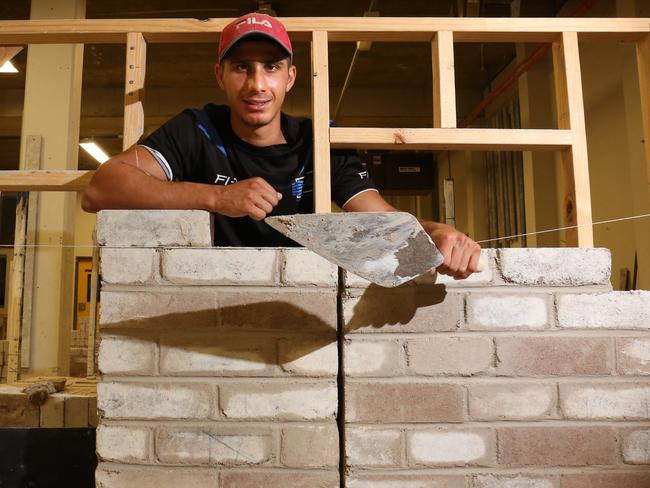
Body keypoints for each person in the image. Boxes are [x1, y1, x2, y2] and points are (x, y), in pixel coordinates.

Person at [82, 12, 481, 279]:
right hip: (208, 297)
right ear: (220, 75)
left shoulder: (319, 141)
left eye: (270, 68)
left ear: (290, 77)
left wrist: (436, 232)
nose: (257, 84)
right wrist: (218, 198)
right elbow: (102, 188)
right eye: (242, 67)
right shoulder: (197, 128)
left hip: (301, 303)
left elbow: (381, 219)